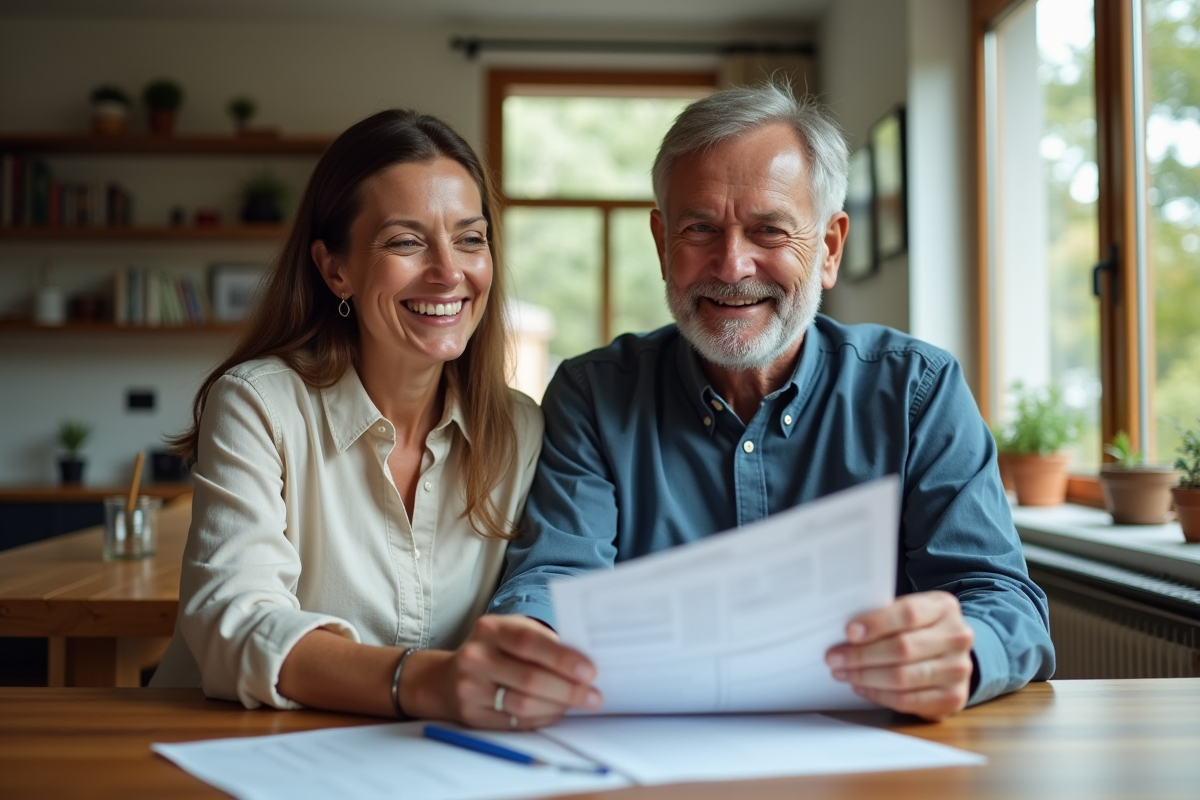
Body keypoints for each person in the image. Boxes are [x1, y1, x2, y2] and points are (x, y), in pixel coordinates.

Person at [482, 83, 1056, 723]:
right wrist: (530, 645)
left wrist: (963, 654)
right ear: (662, 242)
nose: (731, 266)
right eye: (700, 228)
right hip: (653, 746)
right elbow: (555, 582)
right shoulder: (593, 395)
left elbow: (1001, 597)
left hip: (869, 749)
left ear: (829, 248)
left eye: (769, 230)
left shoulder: (917, 391)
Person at [151, 109, 564, 729]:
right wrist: (426, 681)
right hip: (233, 745)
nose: (449, 272)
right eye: (405, 242)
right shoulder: (259, 403)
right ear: (334, 269)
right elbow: (233, 624)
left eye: (470, 239)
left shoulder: (520, 429)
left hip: (421, 757)